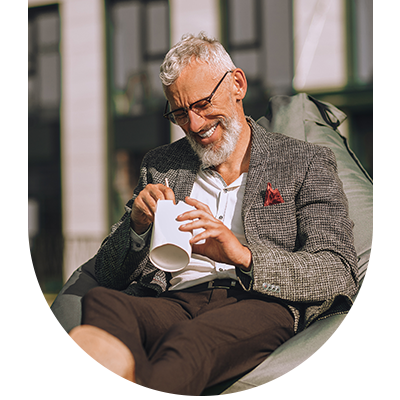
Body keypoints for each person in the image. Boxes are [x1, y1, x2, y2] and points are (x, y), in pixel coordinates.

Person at [28, 32, 359, 396]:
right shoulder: (162, 164)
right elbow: (106, 272)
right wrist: (136, 228)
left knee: (189, 341)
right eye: (180, 113)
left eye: (202, 104)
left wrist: (242, 256)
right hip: (173, 298)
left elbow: (338, 269)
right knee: (102, 302)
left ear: (237, 84)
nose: (195, 124)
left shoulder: (304, 161)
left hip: (259, 301)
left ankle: (62, 385)